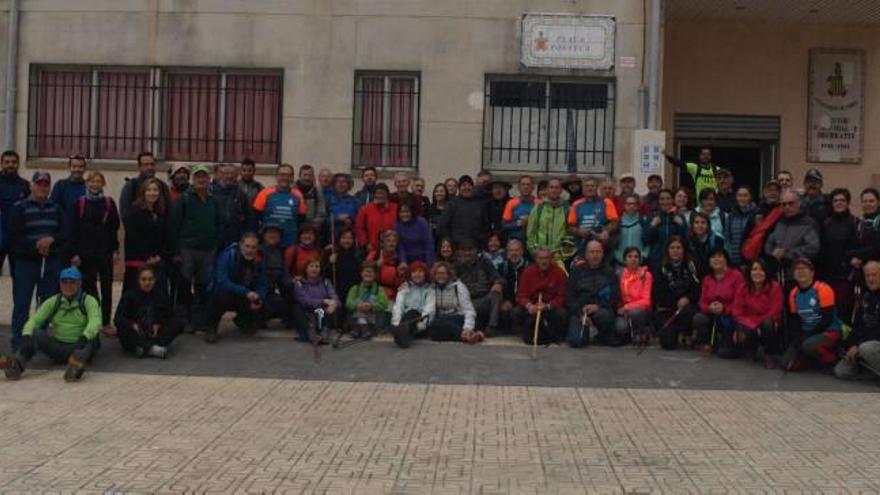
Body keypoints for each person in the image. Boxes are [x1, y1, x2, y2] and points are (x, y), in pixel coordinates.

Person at [0, 267, 100, 381]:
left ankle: (75, 368)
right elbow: (35, 319)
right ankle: (16, 366)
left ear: (79, 283)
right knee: (35, 333)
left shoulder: (89, 301)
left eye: (72, 282)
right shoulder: (54, 301)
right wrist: (26, 334)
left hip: (78, 345)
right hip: (58, 345)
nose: (68, 285)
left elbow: (95, 321)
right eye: (64, 282)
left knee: (93, 339)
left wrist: (85, 336)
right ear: (60, 283)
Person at [7, 171, 66, 352]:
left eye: (45, 184)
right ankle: (19, 344)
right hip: (26, 263)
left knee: (46, 304)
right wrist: (37, 245)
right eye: (39, 184)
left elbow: (65, 233)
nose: (42, 187)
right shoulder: (19, 207)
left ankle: (40, 341)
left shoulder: (56, 208)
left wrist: (51, 240)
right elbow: (14, 236)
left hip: (50, 263)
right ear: (32, 186)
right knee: (22, 304)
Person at [169, 164, 220, 331]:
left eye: (204, 176)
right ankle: (183, 321)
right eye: (198, 176)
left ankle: (200, 320)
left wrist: (216, 246)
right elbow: (173, 227)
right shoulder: (184, 199)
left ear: (209, 178)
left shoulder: (213, 200)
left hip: (208, 250)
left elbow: (217, 224)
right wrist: (175, 251)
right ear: (193, 179)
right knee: (183, 285)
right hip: (187, 250)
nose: (201, 180)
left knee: (202, 286)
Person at [68, 171, 120, 330]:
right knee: (89, 288)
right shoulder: (79, 203)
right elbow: (73, 229)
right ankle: (92, 317)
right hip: (85, 253)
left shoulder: (109, 203)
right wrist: (74, 253)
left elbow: (114, 227)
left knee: (107, 288)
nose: (95, 184)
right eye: (92, 181)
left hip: (104, 252)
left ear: (102, 184)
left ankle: (105, 322)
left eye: (98, 181)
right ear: (87, 183)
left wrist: (115, 250)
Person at [204, 233, 267, 344]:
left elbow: (262, 284)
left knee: (262, 306)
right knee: (221, 295)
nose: (250, 250)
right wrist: (246, 292)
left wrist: (259, 297)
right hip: (224, 292)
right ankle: (211, 327)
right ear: (240, 245)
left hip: (244, 294)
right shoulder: (228, 255)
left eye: (253, 247)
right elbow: (222, 281)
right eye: (247, 246)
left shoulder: (259, 260)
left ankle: (242, 320)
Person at [782, 258, 843, 372]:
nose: (800, 271)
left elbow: (827, 319)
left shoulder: (823, 289)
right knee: (787, 364)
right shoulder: (794, 293)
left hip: (829, 331)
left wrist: (808, 335)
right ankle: (811, 359)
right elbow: (794, 320)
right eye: (797, 269)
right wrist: (796, 338)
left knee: (808, 345)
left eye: (804, 268)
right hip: (807, 333)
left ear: (812, 272)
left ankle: (832, 360)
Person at [114, 266, 182, 359]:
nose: (147, 283)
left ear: (154, 280)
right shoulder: (129, 295)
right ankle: (153, 349)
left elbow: (170, 316)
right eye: (144, 279)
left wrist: (159, 324)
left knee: (177, 323)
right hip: (136, 333)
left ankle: (144, 349)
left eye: (150, 279)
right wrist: (132, 324)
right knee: (123, 329)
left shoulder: (160, 295)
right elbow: (118, 318)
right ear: (138, 280)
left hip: (153, 334)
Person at [729, 259, 782, 367]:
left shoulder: (775, 287)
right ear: (749, 272)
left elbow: (775, 312)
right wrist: (752, 324)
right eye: (754, 269)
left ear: (766, 272)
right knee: (741, 333)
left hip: (767, 322)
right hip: (748, 322)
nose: (757, 272)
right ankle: (750, 349)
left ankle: (769, 354)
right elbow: (737, 312)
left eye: (761, 270)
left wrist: (756, 323)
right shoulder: (743, 287)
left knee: (768, 324)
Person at [567, 240, 620, 347]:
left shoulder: (610, 272)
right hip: (581, 311)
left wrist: (598, 306)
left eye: (598, 252)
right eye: (592, 252)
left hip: (601, 310)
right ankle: (587, 332)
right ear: (586, 255)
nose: (595, 255)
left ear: (602, 254)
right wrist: (580, 313)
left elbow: (614, 298)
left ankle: (600, 334)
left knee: (605, 316)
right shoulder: (576, 271)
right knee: (576, 341)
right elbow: (570, 298)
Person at [693, 249, 745, 353]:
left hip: (730, 317)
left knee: (725, 353)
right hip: (712, 314)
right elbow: (702, 302)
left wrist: (725, 308)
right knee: (699, 318)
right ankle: (706, 342)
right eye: (713, 257)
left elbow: (741, 301)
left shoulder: (737, 276)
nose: (716, 259)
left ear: (726, 259)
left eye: (720, 256)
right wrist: (709, 308)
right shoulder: (707, 278)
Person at [819, 188, 858, 323]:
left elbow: (858, 247)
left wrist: (849, 258)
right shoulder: (826, 223)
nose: (839, 203)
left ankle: (843, 342)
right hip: (827, 275)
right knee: (827, 310)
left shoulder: (855, 222)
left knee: (844, 310)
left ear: (848, 203)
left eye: (842, 200)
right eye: (835, 200)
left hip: (846, 276)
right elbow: (822, 249)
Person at [122, 178, 169, 293]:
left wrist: (159, 256)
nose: (152, 193)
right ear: (143, 192)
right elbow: (134, 236)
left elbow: (164, 237)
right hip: (138, 261)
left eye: (155, 190)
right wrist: (148, 256)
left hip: (157, 262)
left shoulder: (160, 213)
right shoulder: (133, 211)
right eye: (149, 190)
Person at [835, 260, 880, 379]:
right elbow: (857, 326)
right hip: (864, 344)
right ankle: (869, 369)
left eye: (874, 275)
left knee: (867, 348)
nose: (871, 279)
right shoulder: (866, 296)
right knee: (841, 371)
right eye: (867, 275)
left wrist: (859, 346)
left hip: (873, 345)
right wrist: (852, 345)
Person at [654, 236, 701, 350]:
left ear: (683, 249)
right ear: (667, 250)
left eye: (678, 248)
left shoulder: (692, 265)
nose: (675, 251)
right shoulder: (662, 267)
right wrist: (675, 301)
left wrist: (687, 298)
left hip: (687, 306)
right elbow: (658, 293)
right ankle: (674, 333)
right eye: (672, 248)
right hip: (668, 308)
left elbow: (697, 287)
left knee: (688, 312)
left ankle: (687, 333)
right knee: (668, 344)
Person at [513, 247, 567, 344]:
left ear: (551, 259)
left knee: (562, 314)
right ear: (536, 259)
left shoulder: (559, 273)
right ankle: (526, 333)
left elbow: (562, 296)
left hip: (549, 306)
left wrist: (548, 306)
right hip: (533, 306)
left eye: (546, 258)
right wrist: (529, 306)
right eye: (541, 258)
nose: (544, 261)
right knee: (516, 312)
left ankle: (555, 335)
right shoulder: (528, 272)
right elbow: (521, 295)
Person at [765, 190, 820, 282]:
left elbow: (813, 248)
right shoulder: (780, 222)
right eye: (784, 204)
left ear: (798, 203)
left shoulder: (809, 224)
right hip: (778, 274)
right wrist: (772, 252)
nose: (787, 206)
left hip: (799, 277)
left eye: (791, 203)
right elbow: (769, 242)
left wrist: (786, 254)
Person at [454, 239, 504, 336]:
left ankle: (492, 327)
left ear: (476, 250)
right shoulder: (456, 266)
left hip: (482, 300)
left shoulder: (485, 262)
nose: (467, 253)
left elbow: (499, 278)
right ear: (460, 252)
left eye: (470, 250)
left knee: (496, 293)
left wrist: (498, 283)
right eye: (464, 250)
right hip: (464, 303)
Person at [252, 164, 307, 248]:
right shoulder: (264, 193)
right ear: (276, 176)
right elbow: (254, 218)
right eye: (282, 174)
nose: (285, 178)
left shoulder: (298, 195)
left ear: (292, 178)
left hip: (290, 242)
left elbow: (301, 220)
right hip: (268, 243)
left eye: (288, 175)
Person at [425, 261, 481, 344]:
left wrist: (467, 328)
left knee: (439, 322)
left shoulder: (458, 287)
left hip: (459, 318)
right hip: (442, 320)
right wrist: (424, 323)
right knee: (433, 331)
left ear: (449, 274)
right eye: (438, 273)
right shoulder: (432, 288)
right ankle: (471, 336)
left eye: (443, 273)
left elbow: (469, 310)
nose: (441, 276)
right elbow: (429, 309)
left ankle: (466, 334)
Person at [258, 223, 297, 329]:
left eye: (276, 233)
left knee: (290, 291)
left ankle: (288, 319)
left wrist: (290, 282)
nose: (273, 235)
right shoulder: (256, 250)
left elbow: (283, 274)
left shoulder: (279, 252)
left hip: (270, 291)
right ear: (263, 235)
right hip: (255, 291)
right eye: (270, 232)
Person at [293, 258, 340, 344]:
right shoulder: (299, 284)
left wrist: (333, 304)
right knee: (297, 308)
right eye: (311, 266)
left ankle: (323, 337)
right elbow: (305, 301)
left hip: (322, 312)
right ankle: (311, 336)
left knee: (329, 312)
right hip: (307, 312)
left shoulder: (326, 282)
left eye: (317, 266)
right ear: (306, 269)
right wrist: (323, 301)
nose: (314, 269)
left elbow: (333, 295)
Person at [390, 261, 435, 348]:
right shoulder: (405, 287)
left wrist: (422, 325)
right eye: (414, 272)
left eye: (420, 271)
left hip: (421, 321)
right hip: (405, 318)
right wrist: (396, 322)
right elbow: (399, 306)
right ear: (410, 274)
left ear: (425, 274)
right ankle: (400, 331)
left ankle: (402, 333)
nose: (417, 274)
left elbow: (430, 308)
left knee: (413, 312)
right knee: (407, 314)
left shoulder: (429, 289)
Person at [568, 177, 619, 251]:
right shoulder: (576, 205)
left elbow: (615, 222)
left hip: (602, 246)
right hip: (582, 246)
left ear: (597, 188)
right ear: (583, 189)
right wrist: (579, 231)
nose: (590, 188)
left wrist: (606, 231)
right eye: (587, 186)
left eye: (592, 186)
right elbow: (570, 227)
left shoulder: (607, 202)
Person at [437, 175, 489, 248]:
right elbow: (443, 226)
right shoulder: (451, 204)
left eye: (469, 185)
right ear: (459, 188)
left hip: (476, 246)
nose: (466, 187)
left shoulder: (480, 204)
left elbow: (485, 225)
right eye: (464, 185)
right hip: (456, 247)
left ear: (472, 187)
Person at [212, 162, 255, 250]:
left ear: (236, 176)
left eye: (232, 174)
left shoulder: (241, 195)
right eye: (226, 173)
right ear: (220, 175)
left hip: (235, 240)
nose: (229, 176)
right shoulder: (211, 193)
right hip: (215, 240)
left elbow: (249, 219)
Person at [0, 150, 30, 274]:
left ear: (18, 164)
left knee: (19, 276)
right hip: (1, 234)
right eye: (7, 162)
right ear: (1, 164)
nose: (10, 165)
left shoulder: (25, 185)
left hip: (18, 238)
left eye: (13, 162)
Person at [616, 247, 653, 346]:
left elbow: (646, 301)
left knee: (636, 312)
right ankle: (630, 333)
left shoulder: (646, 275)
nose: (633, 259)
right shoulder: (619, 274)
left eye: (636, 257)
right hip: (622, 311)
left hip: (640, 310)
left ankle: (641, 331)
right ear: (624, 260)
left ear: (640, 260)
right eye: (630, 256)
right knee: (620, 328)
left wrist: (627, 307)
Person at [643, 189, 687, 270]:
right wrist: (652, 225)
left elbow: (685, 239)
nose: (665, 201)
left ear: (673, 200)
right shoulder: (652, 216)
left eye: (668, 198)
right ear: (658, 201)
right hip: (656, 259)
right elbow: (645, 239)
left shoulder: (679, 216)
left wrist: (681, 225)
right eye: (662, 199)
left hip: (675, 259)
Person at [119, 151, 170, 218]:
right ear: (139, 167)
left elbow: (168, 210)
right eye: (146, 165)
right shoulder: (131, 186)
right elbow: (124, 213)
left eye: (152, 164)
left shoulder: (162, 186)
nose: (150, 167)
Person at [526, 178, 568, 257]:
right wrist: (534, 252)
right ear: (547, 190)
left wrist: (562, 253)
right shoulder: (538, 208)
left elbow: (569, 233)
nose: (554, 190)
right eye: (551, 187)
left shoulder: (566, 209)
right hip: (540, 256)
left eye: (557, 187)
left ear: (561, 190)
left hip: (559, 256)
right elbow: (531, 232)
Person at [324, 227, 362, 314]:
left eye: (350, 238)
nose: (347, 240)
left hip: (353, 290)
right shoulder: (332, 253)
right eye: (344, 238)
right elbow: (325, 274)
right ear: (339, 239)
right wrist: (330, 263)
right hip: (337, 289)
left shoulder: (357, 254)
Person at [345, 262, 391, 334]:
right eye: (366, 271)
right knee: (357, 303)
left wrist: (371, 306)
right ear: (361, 274)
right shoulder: (354, 288)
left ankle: (365, 329)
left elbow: (384, 304)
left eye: (371, 272)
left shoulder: (380, 289)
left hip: (373, 321)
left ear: (375, 275)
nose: (368, 274)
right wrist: (358, 306)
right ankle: (361, 328)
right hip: (356, 318)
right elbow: (348, 303)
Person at [356, 183, 397, 252]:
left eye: (383, 193)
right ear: (374, 195)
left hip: (392, 249)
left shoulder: (395, 208)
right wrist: (365, 243)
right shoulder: (365, 209)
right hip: (372, 249)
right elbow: (359, 227)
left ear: (387, 194)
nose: (380, 196)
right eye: (377, 193)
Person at [498, 239, 529, 328]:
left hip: (526, 302)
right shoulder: (502, 267)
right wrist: (504, 301)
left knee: (517, 312)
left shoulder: (530, 267)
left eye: (516, 250)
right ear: (507, 252)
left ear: (522, 251)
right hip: (509, 301)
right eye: (511, 250)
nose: (514, 253)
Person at [366, 230, 406, 300]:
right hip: (374, 293)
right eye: (388, 241)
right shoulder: (375, 255)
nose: (391, 243)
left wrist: (401, 275)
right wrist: (375, 264)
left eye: (394, 241)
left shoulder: (399, 260)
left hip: (392, 295)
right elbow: (363, 267)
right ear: (383, 243)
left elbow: (401, 285)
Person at [724, 185, 756, 267]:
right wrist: (729, 254)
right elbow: (727, 237)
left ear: (750, 197)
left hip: (750, 260)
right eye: (739, 195)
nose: (742, 198)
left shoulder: (756, 214)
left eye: (745, 195)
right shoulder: (731, 215)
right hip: (733, 260)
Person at [49, 155, 88, 221]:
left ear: (85, 169)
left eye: (80, 167)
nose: (77, 169)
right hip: (63, 227)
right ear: (69, 168)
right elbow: (53, 207)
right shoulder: (60, 186)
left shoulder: (89, 187)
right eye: (74, 166)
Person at [501, 175, 540, 242]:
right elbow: (504, 225)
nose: (526, 187)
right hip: (516, 241)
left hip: (534, 241)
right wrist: (518, 223)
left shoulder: (539, 203)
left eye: (528, 184)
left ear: (533, 187)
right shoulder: (512, 203)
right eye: (523, 184)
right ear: (519, 187)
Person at [613, 194, 647, 266]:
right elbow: (613, 243)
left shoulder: (643, 222)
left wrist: (644, 256)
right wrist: (617, 256)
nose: (631, 206)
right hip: (621, 264)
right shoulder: (618, 222)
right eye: (628, 204)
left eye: (634, 204)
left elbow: (648, 241)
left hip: (639, 264)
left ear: (638, 206)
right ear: (624, 206)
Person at [848, 188, 880, 265]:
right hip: (863, 270)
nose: (868, 204)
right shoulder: (859, 223)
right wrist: (852, 258)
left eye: (871, 201)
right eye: (864, 201)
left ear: (878, 203)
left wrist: (851, 254)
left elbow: (877, 249)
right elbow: (853, 245)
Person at [326, 172, 362, 238]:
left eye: (344, 182)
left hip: (350, 237)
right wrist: (337, 218)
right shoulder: (328, 200)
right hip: (332, 236)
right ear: (334, 184)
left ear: (348, 184)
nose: (341, 184)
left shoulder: (355, 201)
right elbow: (324, 219)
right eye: (338, 182)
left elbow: (360, 219)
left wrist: (350, 218)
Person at [295, 164, 326, 229]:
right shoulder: (292, 190)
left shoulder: (317, 191)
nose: (307, 178)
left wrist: (312, 226)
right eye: (305, 175)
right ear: (299, 176)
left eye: (310, 175)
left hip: (312, 229)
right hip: (294, 226)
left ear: (313, 176)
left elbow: (321, 213)